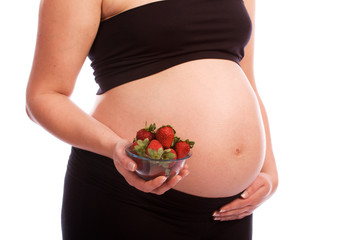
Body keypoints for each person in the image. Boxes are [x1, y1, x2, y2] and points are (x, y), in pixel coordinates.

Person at [26, 0, 278, 239]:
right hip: (129, 199)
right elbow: (43, 96)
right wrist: (114, 147)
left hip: (232, 212)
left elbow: (247, 79)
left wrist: (268, 172)